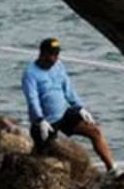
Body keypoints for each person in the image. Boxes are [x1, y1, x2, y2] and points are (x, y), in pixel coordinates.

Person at [22, 37, 116, 171]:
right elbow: (32, 99)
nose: (54, 58)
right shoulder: (30, 74)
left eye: (56, 54)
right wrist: (39, 119)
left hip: (63, 114)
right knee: (42, 156)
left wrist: (79, 106)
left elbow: (68, 88)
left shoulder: (59, 65)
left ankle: (111, 169)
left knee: (95, 131)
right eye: (51, 55)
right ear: (42, 54)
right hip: (46, 121)